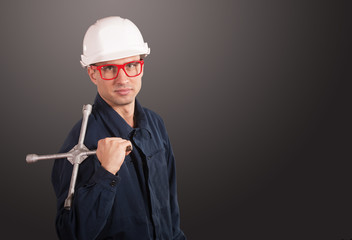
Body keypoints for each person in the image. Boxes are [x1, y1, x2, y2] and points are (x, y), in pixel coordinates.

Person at [51, 16, 186, 240]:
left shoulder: (155, 124)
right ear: (93, 73)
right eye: (110, 68)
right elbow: (71, 233)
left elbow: (170, 205)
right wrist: (105, 175)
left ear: (141, 67)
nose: (123, 79)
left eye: (131, 65)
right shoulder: (80, 145)